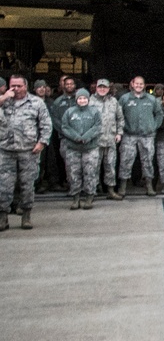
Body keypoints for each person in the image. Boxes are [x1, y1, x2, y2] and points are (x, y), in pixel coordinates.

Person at [0, 74, 52, 231]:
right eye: (12, 85)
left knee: (27, 184)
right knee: (4, 186)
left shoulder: (36, 102)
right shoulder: (3, 102)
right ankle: (3, 218)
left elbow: (46, 124)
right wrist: (3, 98)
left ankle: (26, 216)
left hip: (29, 150)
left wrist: (42, 142)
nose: (15, 89)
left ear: (26, 87)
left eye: (18, 86)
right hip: (5, 150)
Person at [118, 75, 163, 197]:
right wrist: (122, 129)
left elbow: (159, 114)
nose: (138, 86)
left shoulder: (151, 99)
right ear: (132, 84)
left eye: (141, 84)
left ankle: (149, 186)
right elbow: (118, 115)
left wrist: (154, 127)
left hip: (147, 136)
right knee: (125, 161)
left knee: (148, 161)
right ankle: (123, 187)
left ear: (145, 85)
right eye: (136, 84)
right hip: (129, 135)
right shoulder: (124, 99)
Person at [60, 87, 102, 210]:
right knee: (74, 173)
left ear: (88, 99)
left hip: (90, 148)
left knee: (90, 172)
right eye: (80, 98)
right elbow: (65, 127)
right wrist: (76, 137)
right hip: (73, 148)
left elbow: (98, 126)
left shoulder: (94, 112)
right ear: (76, 99)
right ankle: (76, 198)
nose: (82, 100)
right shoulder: (69, 112)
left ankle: (89, 197)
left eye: (84, 98)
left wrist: (87, 137)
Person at [89, 78, 124, 200]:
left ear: (109, 89)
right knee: (93, 167)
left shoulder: (114, 101)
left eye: (104, 87)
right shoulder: (90, 102)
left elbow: (120, 118)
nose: (102, 89)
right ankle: (92, 192)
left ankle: (110, 190)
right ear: (96, 88)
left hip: (110, 140)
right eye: (100, 87)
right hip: (95, 141)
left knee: (110, 166)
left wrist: (119, 133)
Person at [49, 75, 78, 191]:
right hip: (65, 139)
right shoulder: (57, 102)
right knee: (68, 165)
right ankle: (72, 187)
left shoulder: (81, 99)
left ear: (75, 85)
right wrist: (68, 133)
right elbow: (55, 121)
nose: (69, 86)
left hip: (81, 139)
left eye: (71, 84)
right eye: (67, 84)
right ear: (63, 86)